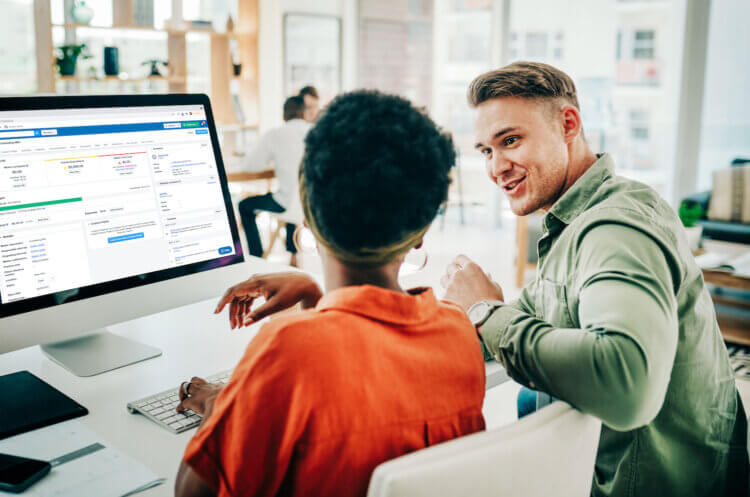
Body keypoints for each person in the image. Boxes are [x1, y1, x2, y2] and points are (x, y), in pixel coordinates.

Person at [439, 62, 748, 496]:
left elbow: (627, 384)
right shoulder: (573, 220)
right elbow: (531, 316)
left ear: (568, 124)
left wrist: (485, 312)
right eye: (485, 151)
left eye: (510, 140)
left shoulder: (613, 228)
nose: (497, 167)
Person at [174, 90, 486, 497]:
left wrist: (224, 404)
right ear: (423, 231)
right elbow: (370, 374)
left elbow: (191, 493)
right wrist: (315, 299)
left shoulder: (287, 352)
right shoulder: (458, 333)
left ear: (308, 211)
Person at [237, 96, 310, 265]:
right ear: (304, 113)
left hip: (285, 204)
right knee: (295, 193)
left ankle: (257, 256)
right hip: (310, 205)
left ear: (284, 114)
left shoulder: (275, 134)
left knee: (244, 206)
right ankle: (293, 254)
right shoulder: (315, 131)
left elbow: (250, 165)